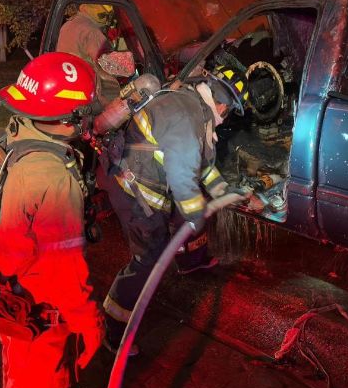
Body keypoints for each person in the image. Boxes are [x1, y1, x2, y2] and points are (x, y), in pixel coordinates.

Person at [100, 66, 249, 354]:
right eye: (228, 112)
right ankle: (114, 328)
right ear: (222, 106)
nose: (224, 118)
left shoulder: (189, 104)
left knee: (162, 242)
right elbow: (183, 179)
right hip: (133, 194)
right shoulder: (187, 119)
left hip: (140, 187)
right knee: (148, 259)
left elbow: (202, 166)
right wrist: (197, 215)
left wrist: (222, 191)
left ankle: (188, 261)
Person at [0, 52, 105, 388]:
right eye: (82, 111)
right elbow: (65, 269)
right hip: (39, 312)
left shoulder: (19, 138)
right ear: (68, 117)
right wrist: (90, 323)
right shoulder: (52, 175)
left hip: (14, 301)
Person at [56, 3, 119, 108]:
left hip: (66, 85)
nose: (107, 19)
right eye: (103, 15)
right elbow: (108, 65)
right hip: (88, 91)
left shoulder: (68, 25)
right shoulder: (91, 31)